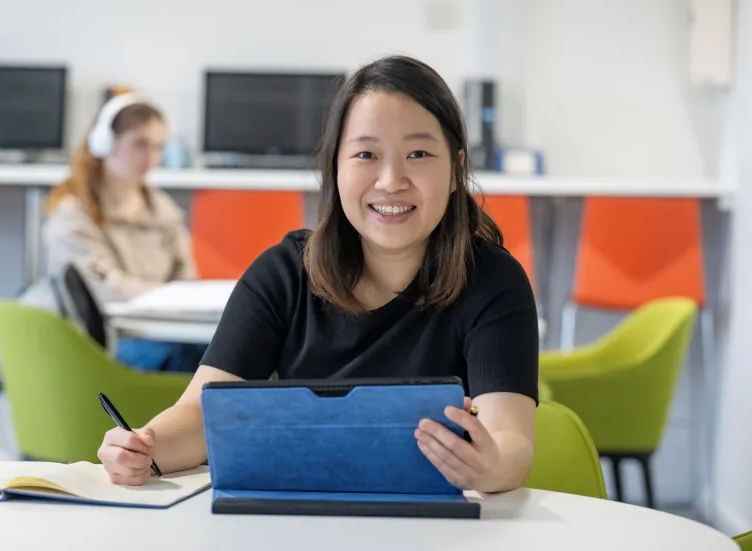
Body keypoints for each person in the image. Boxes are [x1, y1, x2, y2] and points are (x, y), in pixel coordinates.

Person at [97, 55, 539, 494]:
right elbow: (201, 414)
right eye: (366, 154)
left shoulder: (494, 281)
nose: (391, 180)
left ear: (456, 168)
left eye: (418, 153)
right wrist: (142, 448)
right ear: (334, 166)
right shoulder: (285, 272)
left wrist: (490, 466)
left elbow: (510, 436)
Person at [42, 93, 206, 373]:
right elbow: (105, 292)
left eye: (158, 147)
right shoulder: (72, 214)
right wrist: (167, 296)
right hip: (108, 340)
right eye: (140, 145)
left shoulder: (163, 208)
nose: (151, 158)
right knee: (189, 359)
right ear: (105, 143)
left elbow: (186, 279)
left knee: (239, 354)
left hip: (163, 330)